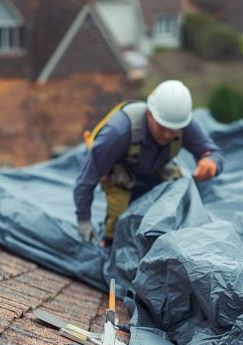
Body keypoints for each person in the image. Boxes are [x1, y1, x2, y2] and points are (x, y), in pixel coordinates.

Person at [73, 80, 225, 245]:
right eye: (162, 127)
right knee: (118, 224)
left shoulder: (181, 123)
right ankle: (110, 244)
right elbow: (87, 179)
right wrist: (84, 220)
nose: (167, 135)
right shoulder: (118, 133)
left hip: (158, 170)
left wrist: (212, 162)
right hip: (121, 176)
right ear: (149, 113)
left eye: (172, 129)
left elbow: (214, 153)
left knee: (181, 198)